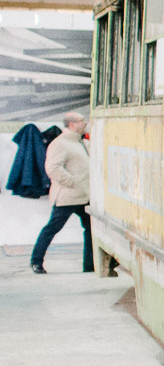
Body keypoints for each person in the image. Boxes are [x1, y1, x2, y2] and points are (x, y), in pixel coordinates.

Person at [32, 112, 93, 274]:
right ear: (72, 124)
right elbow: (53, 168)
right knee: (52, 228)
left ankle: (90, 265)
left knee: (91, 228)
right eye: (81, 121)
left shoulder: (81, 142)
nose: (84, 123)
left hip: (83, 195)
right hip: (68, 196)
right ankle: (36, 261)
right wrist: (71, 181)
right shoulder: (60, 143)